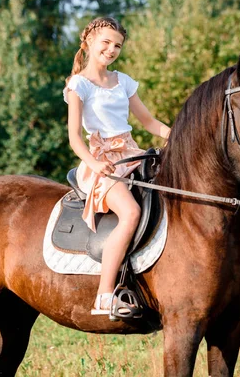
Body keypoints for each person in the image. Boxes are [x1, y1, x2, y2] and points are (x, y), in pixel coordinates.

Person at [63, 17, 171, 317]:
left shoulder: (123, 81)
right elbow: (74, 137)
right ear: (88, 43)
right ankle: (105, 295)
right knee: (131, 212)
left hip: (131, 153)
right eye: (106, 43)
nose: (111, 50)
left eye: (117, 46)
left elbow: (148, 122)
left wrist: (178, 135)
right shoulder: (79, 85)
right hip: (101, 161)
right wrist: (96, 163)